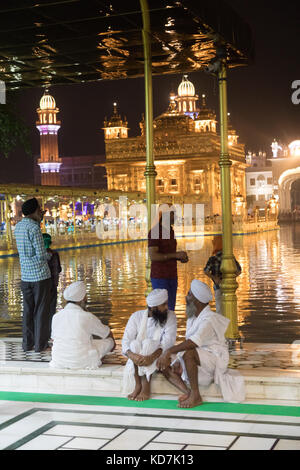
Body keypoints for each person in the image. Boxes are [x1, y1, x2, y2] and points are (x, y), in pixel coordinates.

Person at [157, 280, 245, 408]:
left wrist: (169, 351)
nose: (186, 297)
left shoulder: (208, 319)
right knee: (164, 364)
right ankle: (189, 392)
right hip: (201, 356)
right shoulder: (193, 317)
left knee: (188, 353)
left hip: (214, 357)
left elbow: (193, 342)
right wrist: (174, 359)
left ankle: (196, 395)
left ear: (196, 300)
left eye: (189, 294)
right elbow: (189, 342)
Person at [122, 288, 177, 401]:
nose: (167, 307)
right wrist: (133, 356)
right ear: (153, 308)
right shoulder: (136, 316)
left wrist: (152, 357)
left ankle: (145, 386)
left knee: (148, 343)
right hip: (138, 359)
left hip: (161, 356)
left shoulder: (170, 316)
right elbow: (125, 342)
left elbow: (168, 342)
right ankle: (138, 385)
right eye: (164, 305)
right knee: (134, 344)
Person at [14, 198, 52, 352]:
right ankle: (40, 345)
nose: (41, 212)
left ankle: (27, 344)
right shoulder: (34, 228)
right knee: (41, 311)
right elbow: (41, 254)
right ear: (35, 211)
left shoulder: (18, 226)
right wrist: (49, 255)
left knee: (28, 311)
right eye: (40, 210)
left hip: (25, 277)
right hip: (40, 277)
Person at [50, 281, 115, 369]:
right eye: (85, 296)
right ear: (81, 300)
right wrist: (112, 344)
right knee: (109, 342)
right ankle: (98, 360)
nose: (86, 299)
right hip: (81, 362)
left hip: (58, 360)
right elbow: (106, 333)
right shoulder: (86, 316)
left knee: (88, 342)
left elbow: (54, 339)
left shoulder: (56, 317)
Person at [148, 208, 188, 312]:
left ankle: (169, 328)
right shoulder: (155, 231)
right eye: (172, 214)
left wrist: (179, 257)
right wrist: (175, 255)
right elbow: (153, 256)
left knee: (170, 309)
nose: (175, 217)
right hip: (160, 277)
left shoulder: (170, 231)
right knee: (161, 309)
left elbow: (169, 253)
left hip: (172, 276)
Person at [204, 235, 241, 315]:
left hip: (218, 286)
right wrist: (230, 278)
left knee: (219, 309)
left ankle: (221, 326)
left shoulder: (212, 259)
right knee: (230, 310)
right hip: (229, 287)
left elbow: (206, 271)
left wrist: (214, 278)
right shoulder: (230, 257)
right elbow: (239, 271)